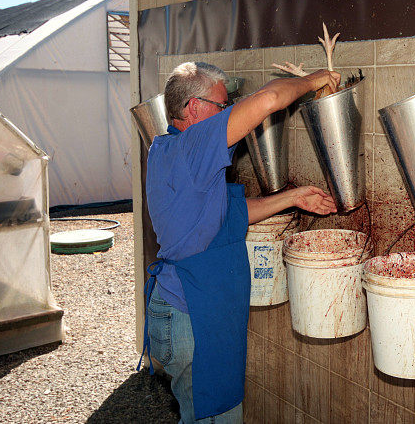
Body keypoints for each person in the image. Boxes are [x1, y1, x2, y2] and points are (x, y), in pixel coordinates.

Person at [140, 61, 340, 423]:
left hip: (190, 311)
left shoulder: (171, 152)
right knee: (215, 416)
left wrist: (292, 198)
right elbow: (270, 100)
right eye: (222, 106)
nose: (227, 113)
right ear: (194, 108)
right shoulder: (192, 147)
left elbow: (225, 217)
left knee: (209, 413)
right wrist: (315, 80)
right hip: (192, 314)